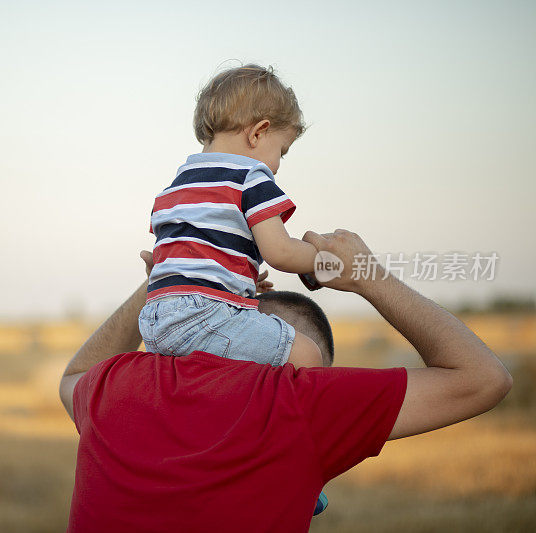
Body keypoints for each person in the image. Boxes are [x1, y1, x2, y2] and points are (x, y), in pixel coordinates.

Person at [59, 229, 512, 533]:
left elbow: (75, 376)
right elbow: (485, 377)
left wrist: (172, 282)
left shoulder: (120, 385)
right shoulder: (298, 403)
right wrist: (368, 276)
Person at [142, 64, 322, 375]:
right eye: (282, 150)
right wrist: (323, 258)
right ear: (258, 133)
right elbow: (280, 252)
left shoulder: (174, 188)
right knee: (308, 354)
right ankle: (288, 423)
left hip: (154, 322)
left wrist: (241, 278)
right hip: (203, 316)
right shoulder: (251, 177)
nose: (278, 165)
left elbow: (193, 253)